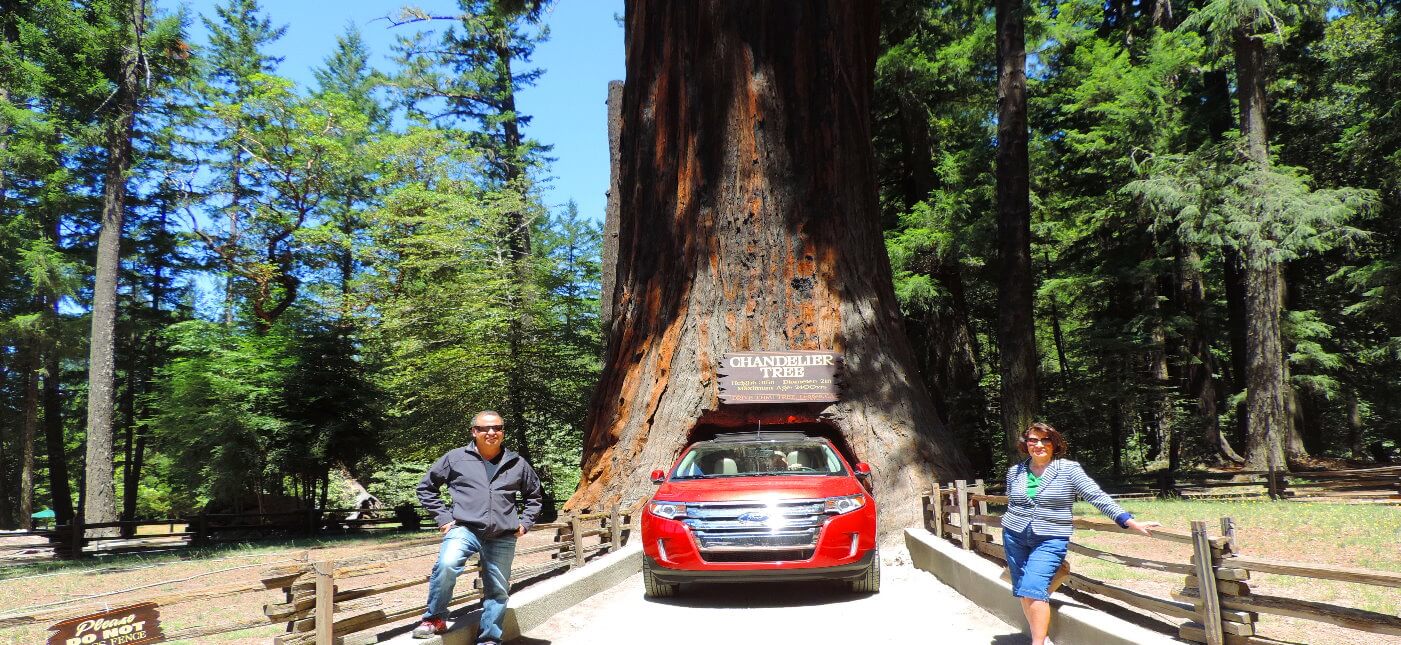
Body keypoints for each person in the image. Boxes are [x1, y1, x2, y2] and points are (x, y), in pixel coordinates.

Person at [1002, 422, 1160, 645]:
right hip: (1014, 536)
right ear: (1025, 444)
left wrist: (1127, 520)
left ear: (1054, 444)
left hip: (1050, 538)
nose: (1038, 445)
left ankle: (1037, 643)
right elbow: (1014, 503)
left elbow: (1096, 496)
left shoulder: (1068, 470)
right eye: (1033, 441)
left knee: (1034, 588)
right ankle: (1041, 637)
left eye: (1045, 440)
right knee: (1022, 589)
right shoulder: (1014, 472)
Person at [412, 411, 544, 643]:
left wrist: (525, 523)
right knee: (446, 564)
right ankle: (435, 618)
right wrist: (443, 518)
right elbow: (426, 488)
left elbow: (534, 496)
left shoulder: (517, 463)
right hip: (465, 528)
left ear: (503, 432)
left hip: (503, 534)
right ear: (474, 432)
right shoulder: (455, 458)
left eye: (497, 428)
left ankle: (489, 639)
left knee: (498, 589)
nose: (491, 432)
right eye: (485, 428)